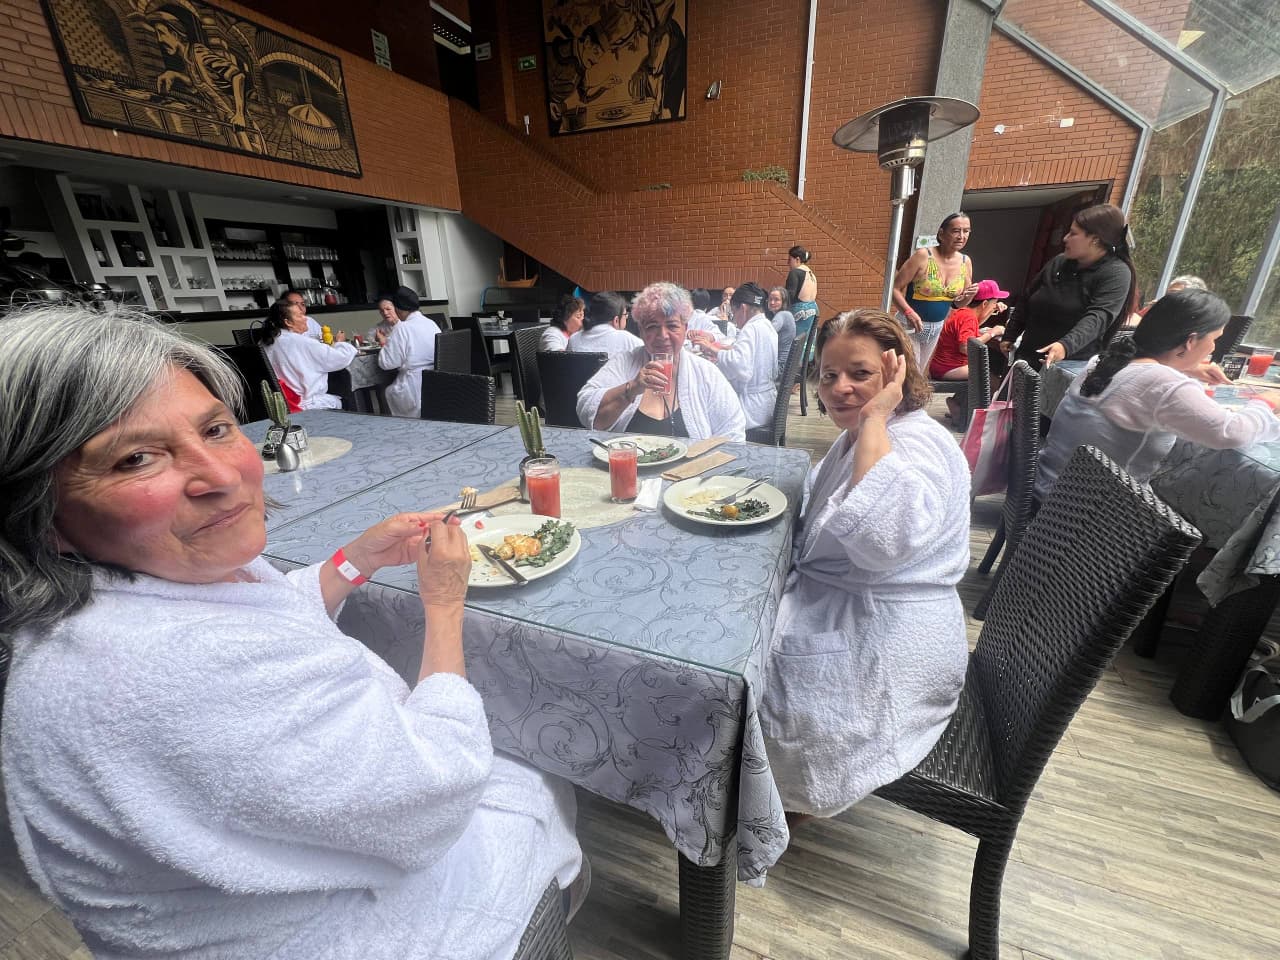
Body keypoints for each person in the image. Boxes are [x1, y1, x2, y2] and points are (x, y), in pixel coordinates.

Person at [0, 304, 583, 960]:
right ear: (37, 512)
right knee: (538, 767)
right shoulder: (170, 669)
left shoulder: (126, 595)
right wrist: (444, 602)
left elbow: (263, 612)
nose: (224, 477)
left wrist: (353, 560)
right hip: (373, 934)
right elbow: (436, 796)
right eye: (136, 458)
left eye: (216, 428)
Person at [759, 308, 970, 817]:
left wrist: (875, 416)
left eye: (860, 373)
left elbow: (882, 541)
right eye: (829, 375)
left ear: (897, 373)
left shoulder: (912, 440)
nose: (840, 388)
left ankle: (769, 807)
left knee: (746, 690)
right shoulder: (862, 435)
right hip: (854, 603)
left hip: (889, 640)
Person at [1035, 289, 1280, 499]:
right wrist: (1264, 403)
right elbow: (1230, 432)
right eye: (1215, 339)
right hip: (1094, 516)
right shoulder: (1165, 384)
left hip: (1044, 490)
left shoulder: (1103, 361)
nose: (1213, 348)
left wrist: (1187, 368)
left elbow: (1138, 382)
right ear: (1191, 341)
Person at [577, 281, 746, 441]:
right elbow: (587, 410)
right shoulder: (625, 362)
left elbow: (733, 430)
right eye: (652, 326)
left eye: (672, 326)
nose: (662, 335)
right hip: (630, 461)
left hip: (692, 463)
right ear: (641, 331)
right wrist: (632, 388)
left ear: (685, 329)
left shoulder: (705, 373)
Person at [1000, 203, 1138, 372]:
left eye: (1073, 233)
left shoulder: (1116, 273)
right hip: (1027, 358)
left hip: (1068, 367)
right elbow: (1027, 298)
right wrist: (1010, 334)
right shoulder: (1059, 262)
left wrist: (1065, 346)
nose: (1065, 238)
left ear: (1095, 239)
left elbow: (1098, 317)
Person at [891, 214, 976, 373]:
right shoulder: (923, 256)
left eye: (966, 231)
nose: (961, 236)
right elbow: (894, 288)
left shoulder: (966, 262)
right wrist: (908, 312)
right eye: (956, 231)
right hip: (909, 325)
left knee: (918, 372)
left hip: (935, 328)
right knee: (909, 373)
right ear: (941, 233)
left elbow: (957, 304)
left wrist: (969, 296)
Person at [691, 282, 779, 430]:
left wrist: (713, 350)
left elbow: (741, 367)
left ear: (743, 309)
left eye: (733, 312)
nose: (735, 320)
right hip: (767, 403)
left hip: (751, 409)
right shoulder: (767, 326)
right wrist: (722, 349)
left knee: (702, 414)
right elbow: (753, 356)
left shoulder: (750, 329)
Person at [928, 278, 1008, 420]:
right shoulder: (968, 318)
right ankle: (974, 416)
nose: (995, 306)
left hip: (944, 365)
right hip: (947, 367)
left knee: (981, 371)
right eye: (993, 303)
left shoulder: (965, 312)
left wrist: (992, 309)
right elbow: (966, 347)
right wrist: (992, 332)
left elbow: (976, 322)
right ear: (984, 303)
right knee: (988, 377)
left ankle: (958, 404)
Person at [260, 298, 356, 410]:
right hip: (309, 405)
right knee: (344, 383)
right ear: (288, 322)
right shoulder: (301, 342)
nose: (305, 318)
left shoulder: (265, 342)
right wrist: (340, 343)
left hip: (280, 406)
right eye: (300, 315)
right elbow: (340, 358)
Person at [377, 285, 440, 418]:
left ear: (399, 309)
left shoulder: (402, 328)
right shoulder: (431, 323)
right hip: (435, 383)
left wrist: (384, 343)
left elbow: (387, 363)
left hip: (414, 388)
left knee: (386, 392)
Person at [568, 291, 643, 353]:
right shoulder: (629, 341)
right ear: (616, 320)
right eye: (625, 314)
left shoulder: (574, 339)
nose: (626, 317)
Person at [785, 246, 819, 347]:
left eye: (789, 259)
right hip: (813, 310)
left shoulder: (795, 273)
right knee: (805, 344)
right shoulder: (812, 274)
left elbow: (789, 295)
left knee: (792, 346)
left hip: (799, 311)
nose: (788, 263)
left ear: (797, 259)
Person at [766, 286, 797, 371]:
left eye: (776, 299)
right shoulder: (787, 314)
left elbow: (766, 334)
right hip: (786, 366)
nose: (772, 302)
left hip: (779, 367)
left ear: (783, 302)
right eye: (770, 299)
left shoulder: (781, 315)